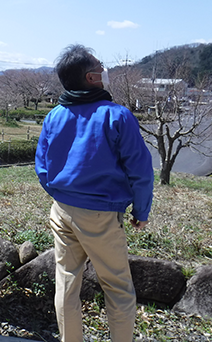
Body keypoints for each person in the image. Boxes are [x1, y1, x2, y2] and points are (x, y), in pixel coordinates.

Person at [35, 44, 154, 342]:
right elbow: (140, 171)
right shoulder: (117, 116)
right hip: (100, 214)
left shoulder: (55, 115)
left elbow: (42, 167)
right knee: (118, 287)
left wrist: (61, 193)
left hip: (61, 208)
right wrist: (141, 211)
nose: (105, 72)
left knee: (66, 282)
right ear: (91, 78)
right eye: (101, 67)